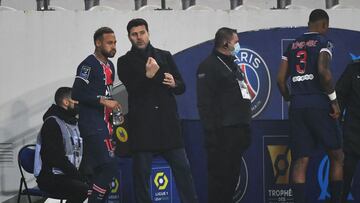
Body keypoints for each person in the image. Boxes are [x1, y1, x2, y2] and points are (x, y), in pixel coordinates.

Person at [117, 18, 198, 203]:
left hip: (168, 126)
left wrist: (173, 82)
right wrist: (149, 76)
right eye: (134, 34)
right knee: (141, 178)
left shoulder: (165, 55)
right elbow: (133, 88)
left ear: (148, 33)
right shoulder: (124, 61)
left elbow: (181, 86)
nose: (139, 37)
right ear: (129, 37)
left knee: (184, 172)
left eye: (142, 33)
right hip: (143, 128)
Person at [277, 9, 344, 203]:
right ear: (324, 25)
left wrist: (291, 98)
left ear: (309, 23)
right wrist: (333, 101)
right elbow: (325, 73)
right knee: (337, 156)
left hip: (297, 105)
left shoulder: (292, 45)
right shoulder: (324, 43)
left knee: (300, 161)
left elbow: (280, 80)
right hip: (319, 104)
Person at [196, 27, 252, 203]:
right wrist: (212, 135)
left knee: (232, 180)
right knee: (219, 181)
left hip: (238, 130)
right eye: (236, 42)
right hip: (221, 134)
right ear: (226, 43)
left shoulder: (233, 65)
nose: (238, 45)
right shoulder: (208, 66)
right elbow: (204, 104)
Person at [72, 27, 122, 203]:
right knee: (110, 166)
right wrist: (102, 101)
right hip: (92, 125)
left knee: (97, 173)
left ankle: (89, 198)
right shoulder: (87, 65)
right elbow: (76, 93)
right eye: (110, 43)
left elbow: (107, 94)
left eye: (115, 42)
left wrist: (112, 109)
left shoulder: (110, 66)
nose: (114, 46)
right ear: (98, 43)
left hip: (105, 124)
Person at [35, 87, 88, 203]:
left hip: (69, 174)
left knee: (101, 184)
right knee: (82, 189)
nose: (78, 104)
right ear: (66, 102)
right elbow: (56, 158)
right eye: (76, 101)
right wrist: (79, 176)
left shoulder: (73, 122)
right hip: (52, 177)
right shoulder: (52, 123)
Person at [335, 58, 360, 203]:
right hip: (353, 136)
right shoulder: (353, 69)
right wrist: (336, 128)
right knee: (345, 178)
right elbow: (338, 99)